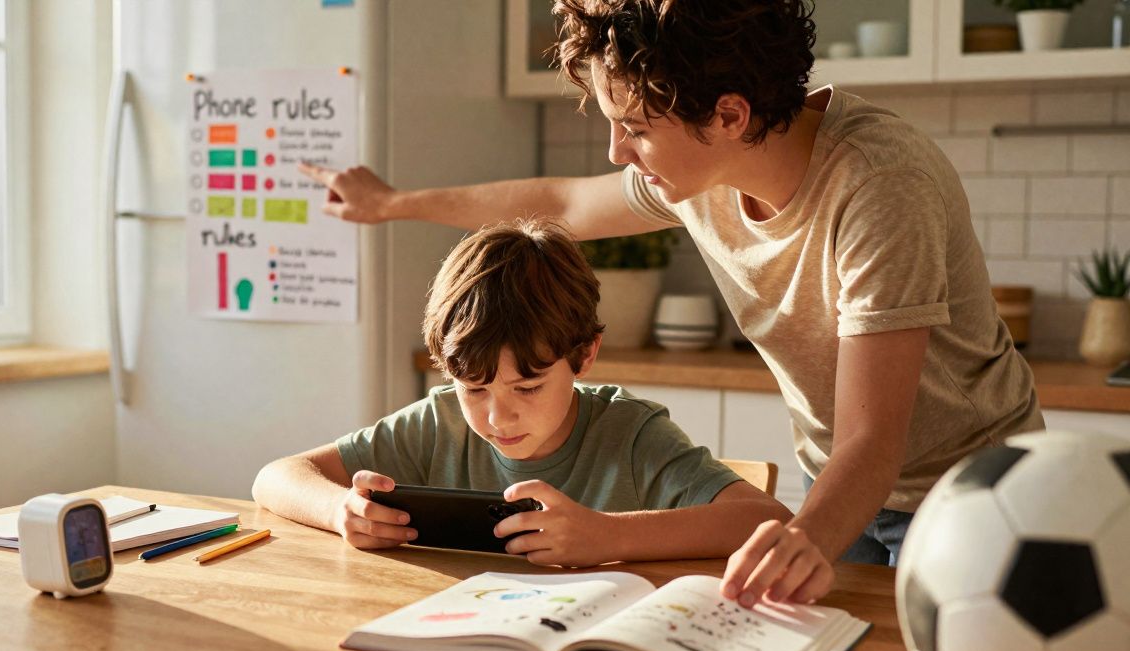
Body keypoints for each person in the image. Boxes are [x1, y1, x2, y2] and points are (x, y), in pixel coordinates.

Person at [294, 0, 1043, 606]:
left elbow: (875, 439)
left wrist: (802, 535)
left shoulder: (880, 186)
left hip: (972, 491)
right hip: (840, 484)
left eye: (636, 129)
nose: (619, 151)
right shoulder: (700, 173)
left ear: (729, 116)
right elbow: (558, 200)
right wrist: (392, 203)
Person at [252, 220, 790, 566]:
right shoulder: (440, 423)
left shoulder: (629, 435)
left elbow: (768, 522)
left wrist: (608, 536)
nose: (496, 415)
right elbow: (276, 476)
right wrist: (340, 510)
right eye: (474, 387)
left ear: (585, 354)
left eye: (528, 386)